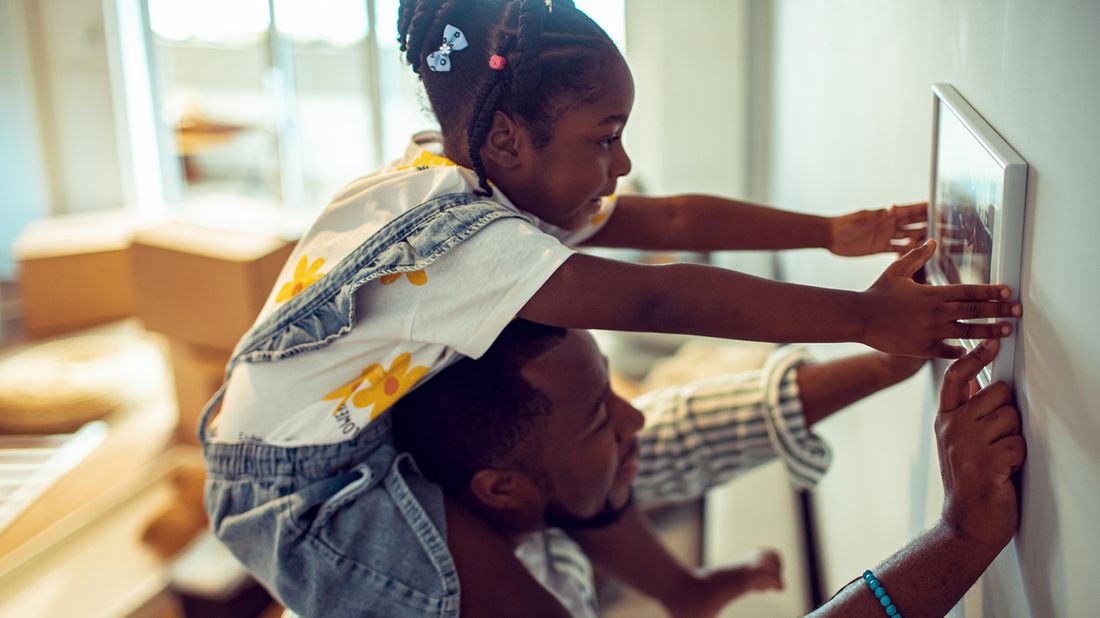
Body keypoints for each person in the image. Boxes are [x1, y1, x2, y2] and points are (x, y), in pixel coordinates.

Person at [201, 1, 1020, 616]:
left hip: (326, 430)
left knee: (577, 457)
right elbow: (660, 293)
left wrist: (832, 233)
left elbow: (671, 224)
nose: (623, 162)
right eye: (605, 137)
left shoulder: (474, 175)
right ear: (510, 139)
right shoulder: (466, 246)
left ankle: (682, 590)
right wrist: (863, 318)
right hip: (298, 491)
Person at [392, 321, 1025, 617]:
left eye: (614, 390)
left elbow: (680, 433)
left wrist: (885, 366)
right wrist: (961, 536)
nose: (632, 418)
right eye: (598, 418)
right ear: (501, 490)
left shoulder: (514, 490)